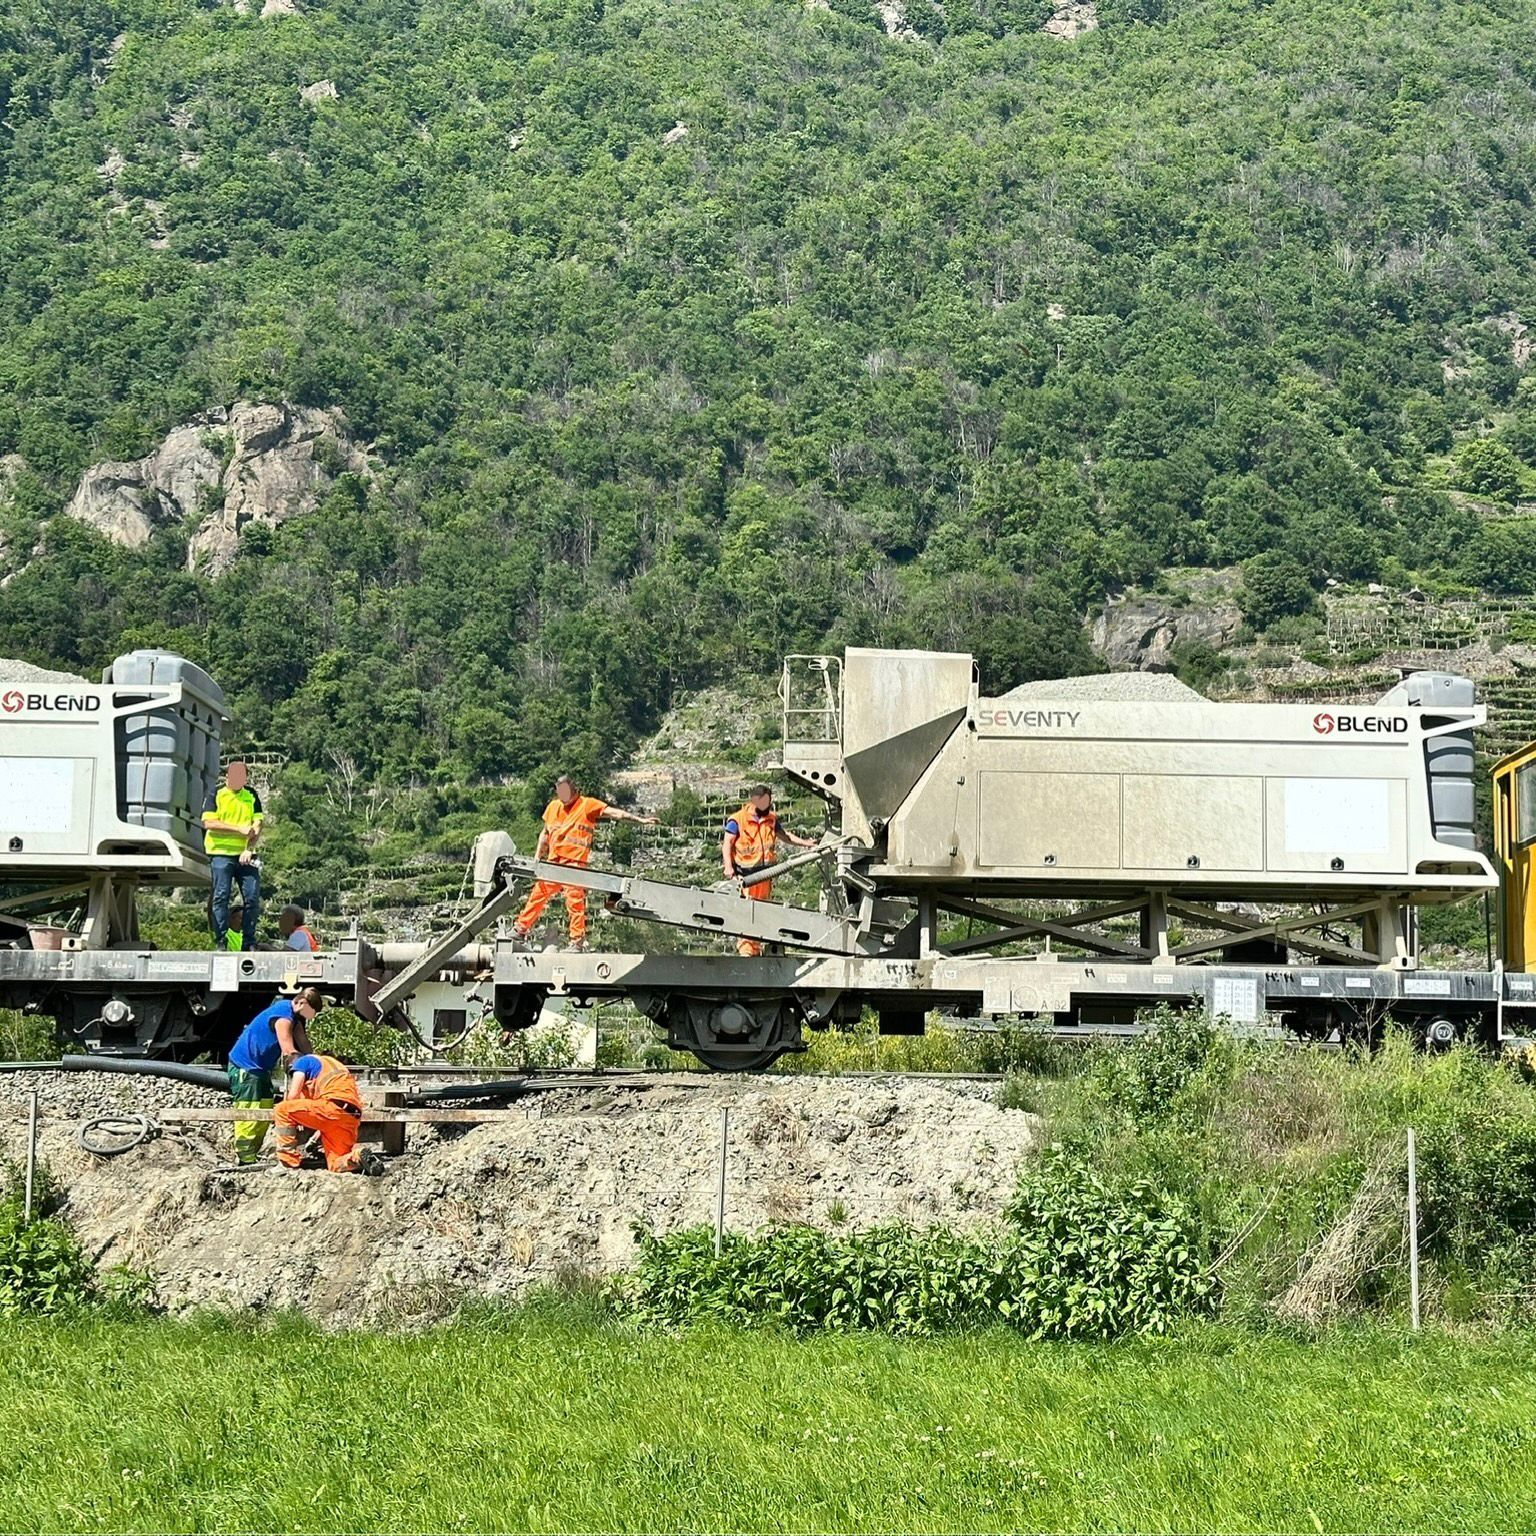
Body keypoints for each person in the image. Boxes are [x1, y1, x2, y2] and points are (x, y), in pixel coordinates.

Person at [512, 775, 657, 951]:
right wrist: (537, 857)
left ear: (575, 790)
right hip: (553, 862)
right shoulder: (553, 807)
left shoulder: (587, 804)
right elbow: (545, 833)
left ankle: (577, 941)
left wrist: (640, 820)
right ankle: (520, 929)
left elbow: (615, 813)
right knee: (538, 894)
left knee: (575, 902)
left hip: (574, 863)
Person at [226, 987, 322, 1165]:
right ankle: (244, 1156)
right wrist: (301, 1070)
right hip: (245, 1067)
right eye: (310, 1012)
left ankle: (251, 1154)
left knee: (264, 1107)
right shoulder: (283, 1017)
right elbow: (288, 1050)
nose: (311, 1017)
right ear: (301, 1003)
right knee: (250, 1110)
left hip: (261, 1069)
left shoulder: (295, 1018)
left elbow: (304, 1045)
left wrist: (317, 1064)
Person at [723, 785, 820, 957]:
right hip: (746, 876)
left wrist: (806, 843)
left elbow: (785, 836)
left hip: (765, 875)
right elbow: (728, 844)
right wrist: (729, 868)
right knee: (747, 911)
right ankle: (746, 950)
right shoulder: (737, 820)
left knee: (761, 911)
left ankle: (756, 947)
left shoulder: (771, 819)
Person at [202, 761, 263, 952]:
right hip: (221, 854)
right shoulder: (216, 793)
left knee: (252, 897)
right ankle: (221, 940)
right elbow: (208, 822)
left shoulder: (251, 794)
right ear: (227, 776)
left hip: (245, 855)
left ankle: (249, 941)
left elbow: (258, 823)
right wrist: (238, 829)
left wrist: (249, 848)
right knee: (221, 896)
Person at [272, 1051, 367, 1173]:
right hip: (350, 1115)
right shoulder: (332, 1065)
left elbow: (293, 1096)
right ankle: (358, 1157)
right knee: (335, 1164)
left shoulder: (302, 1062)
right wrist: (314, 1137)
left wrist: (295, 1118)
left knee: (282, 1109)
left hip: (332, 1107)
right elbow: (325, 1116)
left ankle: (287, 1163)